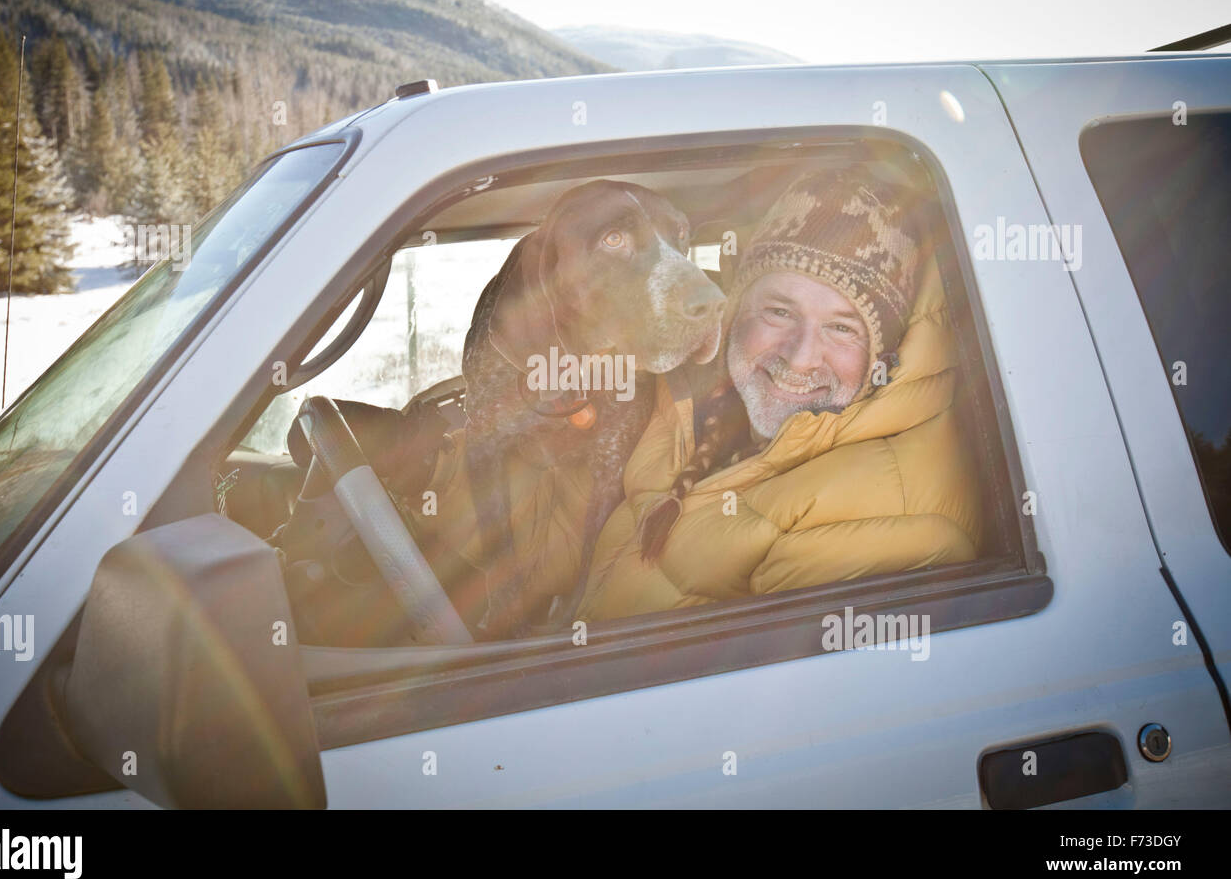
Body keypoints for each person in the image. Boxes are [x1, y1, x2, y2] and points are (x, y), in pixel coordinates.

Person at [347, 165, 984, 633]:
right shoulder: (691, 418)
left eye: (843, 326)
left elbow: (745, 708)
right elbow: (568, 530)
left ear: (885, 352)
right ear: (734, 311)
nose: (797, 355)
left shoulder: (893, 516)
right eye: (777, 309)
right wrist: (426, 466)